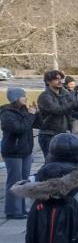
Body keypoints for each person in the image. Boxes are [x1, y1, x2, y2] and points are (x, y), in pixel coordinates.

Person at [1, 88, 38, 219]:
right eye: (23, 96)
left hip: (25, 150)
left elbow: (34, 123)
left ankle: (22, 209)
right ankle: (13, 211)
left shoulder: (24, 110)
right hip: (13, 151)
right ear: (15, 98)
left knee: (23, 181)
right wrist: (31, 115)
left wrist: (35, 113)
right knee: (14, 181)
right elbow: (19, 129)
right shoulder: (7, 114)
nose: (26, 98)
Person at [37, 70, 78, 156]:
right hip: (49, 135)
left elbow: (76, 108)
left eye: (61, 79)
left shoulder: (64, 93)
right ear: (48, 82)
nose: (60, 81)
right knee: (51, 163)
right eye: (56, 79)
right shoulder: (44, 96)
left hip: (64, 132)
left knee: (65, 162)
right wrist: (76, 101)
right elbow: (58, 110)